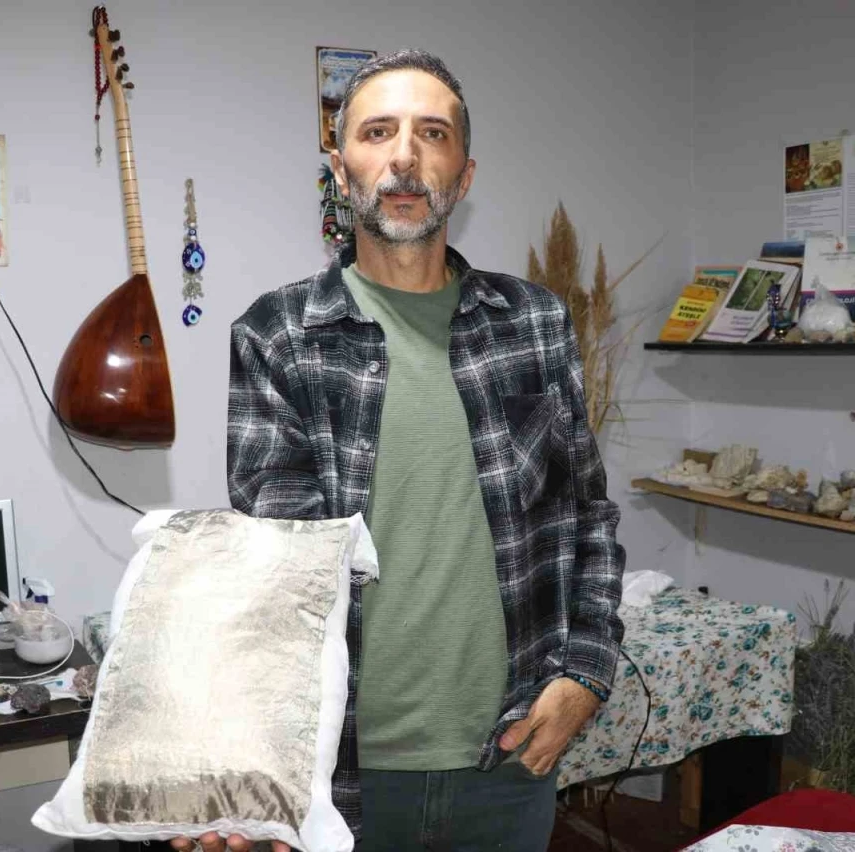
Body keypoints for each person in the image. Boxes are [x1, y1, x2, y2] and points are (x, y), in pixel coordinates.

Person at [210, 49, 625, 852]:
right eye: (378, 132)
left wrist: (587, 670)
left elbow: (588, 516)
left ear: (464, 175)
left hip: (510, 760)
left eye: (432, 134)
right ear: (341, 169)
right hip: (345, 771)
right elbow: (273, 568)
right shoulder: (278, 336)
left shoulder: (534, 323)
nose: (404, 156)